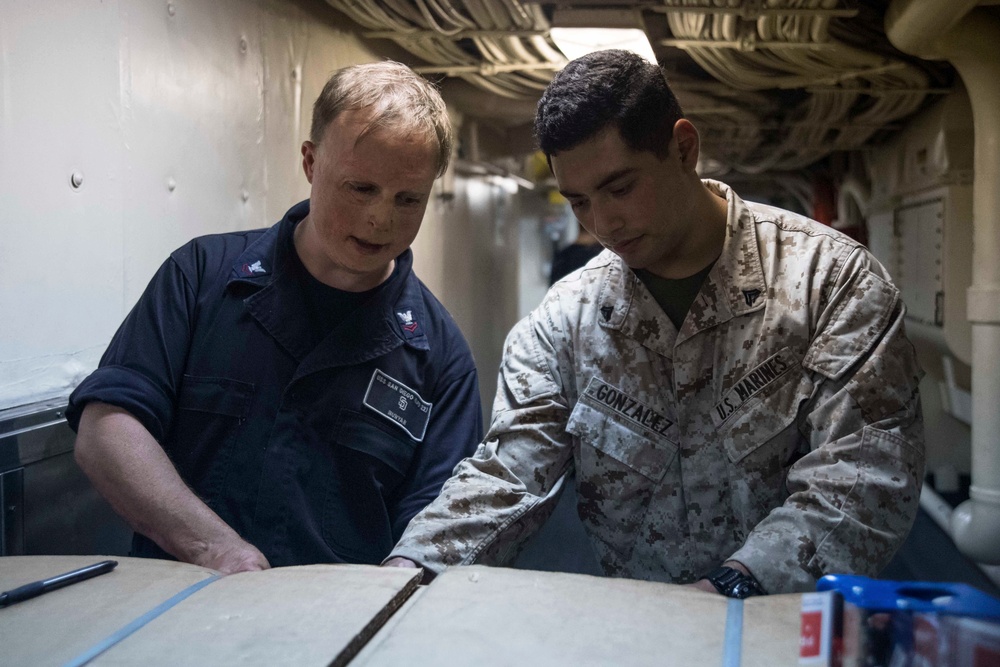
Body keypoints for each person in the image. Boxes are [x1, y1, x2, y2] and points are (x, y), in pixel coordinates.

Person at [385, 50, 925, 596]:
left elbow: (861, 478)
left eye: (621, 188)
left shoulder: (829, 283)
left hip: (785, 629)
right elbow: (508, 475)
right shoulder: (566, 321)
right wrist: (409, 570)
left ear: (683, 149)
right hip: (645, 637)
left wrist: (733, 588)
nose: (603, 222)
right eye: (579, 201)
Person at [67, 61, 483, 574]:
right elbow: (106, 430)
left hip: (338, 635)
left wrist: (389, 600)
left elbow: (439, 530)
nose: (380, 218)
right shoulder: (201, 280)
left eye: (408, 199)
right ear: (310, 163)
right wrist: (215, 549)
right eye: (360, 188)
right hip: (178, 616)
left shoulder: (440, 359)